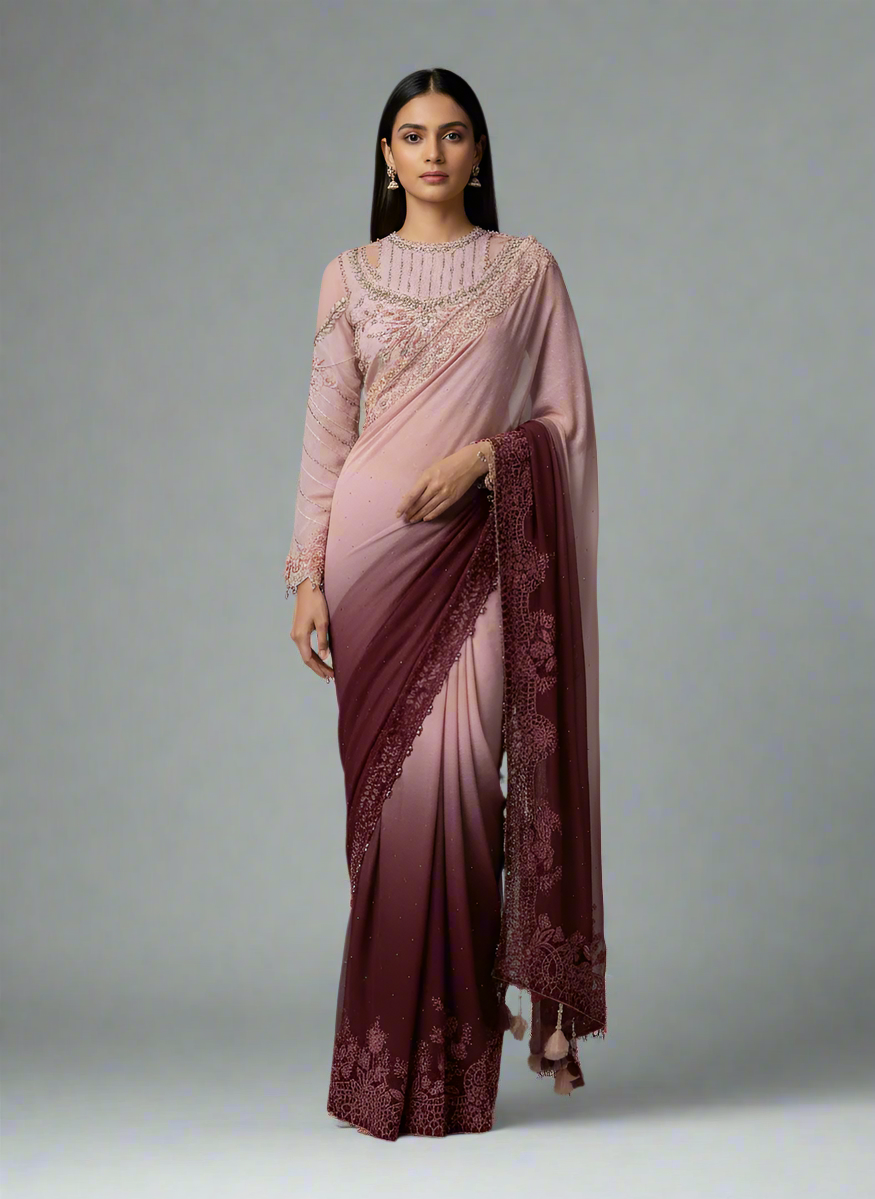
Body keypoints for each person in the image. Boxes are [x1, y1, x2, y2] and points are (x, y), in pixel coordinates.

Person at [284, 67, 606, 1141]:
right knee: (387, 815)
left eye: (453, 133)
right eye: (412, 135)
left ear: (478, 152)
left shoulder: (526, 270)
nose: (432, 152)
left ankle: (457, 1072)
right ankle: (384, 1068)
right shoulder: (347, 277)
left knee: (465, 787)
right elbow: (325, 437)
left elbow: (563, 423)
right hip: (367, 566)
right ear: (385, 157)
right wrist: (304, 575)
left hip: (476, 557)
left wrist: (483, 459)